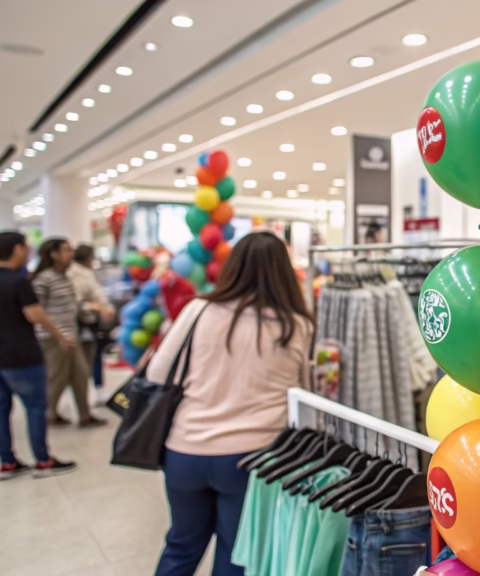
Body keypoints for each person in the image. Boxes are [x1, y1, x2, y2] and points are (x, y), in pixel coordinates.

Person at [150, 232, 313, 576]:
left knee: (181, 544)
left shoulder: (198, 311)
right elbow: (303, 395)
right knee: (236, 551)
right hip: (252, 457)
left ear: (232, 266)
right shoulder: (295, 324)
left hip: (185, 449)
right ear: (283, 272)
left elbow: (157, 373)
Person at [0, 232, 76, 479]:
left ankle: (7, 462)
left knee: (0, 409)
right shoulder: (17, 281)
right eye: (26, 248)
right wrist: (59, 335)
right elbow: (34, 314)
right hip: (21, 355)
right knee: (36, 408)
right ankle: (43, 459)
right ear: (17, 249)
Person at [31, 238, 106, 427]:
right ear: (53, 254)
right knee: (57, 377)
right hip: (53, 338)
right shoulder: (44, 279)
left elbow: (74, 305)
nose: (71, 254)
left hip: (71, 335)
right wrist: (57, 334)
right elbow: (36, 311)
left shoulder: (65, 277)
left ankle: (84, 414)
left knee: (81, 374)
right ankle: (49, 414)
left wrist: (94, 309)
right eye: (66, 250)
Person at [68, 244, 115, 404]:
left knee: (95, 357)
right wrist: (96, 307)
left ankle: (97, 389)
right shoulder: (74, 274)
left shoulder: (87, 273)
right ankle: (83, 397)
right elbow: (76, 301)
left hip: (92, 322)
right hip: (81, 324)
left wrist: (105, 308)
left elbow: (97, 294)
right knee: (83, 362)